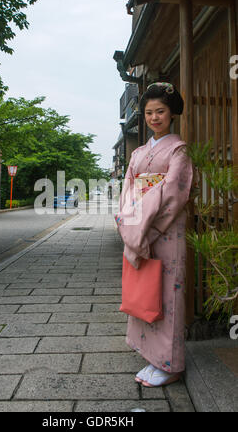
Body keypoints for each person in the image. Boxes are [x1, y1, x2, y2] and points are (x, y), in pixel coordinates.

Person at [115, 82, 194, 388]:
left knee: (168, 294)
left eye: (160, 111)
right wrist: (130, 224)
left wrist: (149, 227)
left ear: (172, 113)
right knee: (144, 290)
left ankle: (170, 364)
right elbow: (128, 190)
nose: (154, 117)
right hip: (139, 229)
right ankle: (151, 356)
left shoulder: (179, 150)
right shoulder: (137, 154)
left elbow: (174, 192)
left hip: (165, 230)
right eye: (148, 112)